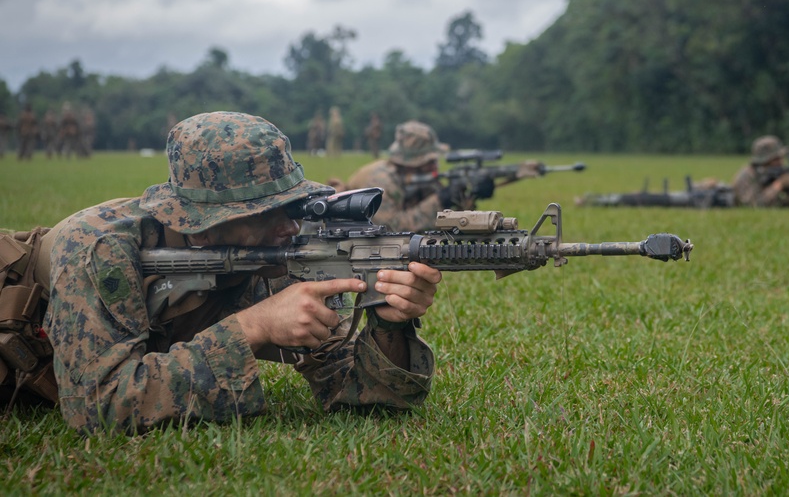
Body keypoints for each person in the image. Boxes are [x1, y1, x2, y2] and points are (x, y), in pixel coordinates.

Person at [41, 111, 442, 434]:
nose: (288, 226)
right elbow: (98, 407)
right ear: (202, 223)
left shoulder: (274, 257)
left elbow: (358, 390)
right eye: (266, 213)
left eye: (293, 206)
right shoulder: (97, 247)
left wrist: (388, 325)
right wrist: (252, 328)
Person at [343, 120, 494, 232]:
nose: (435, 164)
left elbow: (449, 220)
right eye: (429, 160)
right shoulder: (380, 180)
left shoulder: (419, 177)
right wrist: (441, 200)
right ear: (413, 163)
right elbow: (392, 228)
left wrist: (469, 195)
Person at [732, 135, 789, 208]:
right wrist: (778, 185)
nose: (781, 162)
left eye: (781, 158)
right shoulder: (746, 176)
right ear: (764, 161)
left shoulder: (779, 173)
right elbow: (754, 205)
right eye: (776, 159)